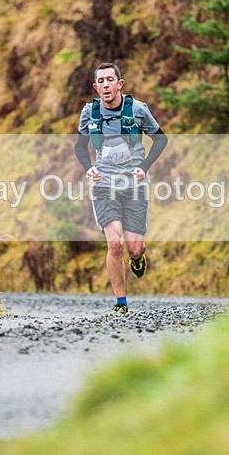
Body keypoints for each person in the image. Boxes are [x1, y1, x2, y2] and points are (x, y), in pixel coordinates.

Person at [75, 62, 168, 313]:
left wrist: (145, 166)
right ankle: (121, 302)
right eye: (101, 81)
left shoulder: (137, 110)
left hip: (134, 185)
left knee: (133, 247)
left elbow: (160, 139)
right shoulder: (90, 113)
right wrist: (88, 167)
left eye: (109, 80)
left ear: (120, 84)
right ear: (96, 87)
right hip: (104, 185)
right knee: (114, 243)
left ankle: (138, 257)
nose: (105, 85)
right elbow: (80, 147)